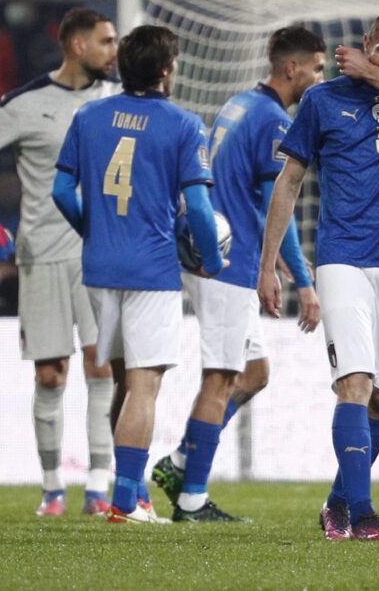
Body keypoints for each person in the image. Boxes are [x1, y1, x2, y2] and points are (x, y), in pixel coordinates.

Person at [258, 13, 379, 541]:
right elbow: (289, 181)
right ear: (367, 44)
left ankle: (337, 505)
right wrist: (268, 265)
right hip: (343, 259)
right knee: (355, 385)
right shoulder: (321, 101)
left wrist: (373, 73)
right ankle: (363, 514)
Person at [0, 7, 121, 517]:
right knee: (51, 374)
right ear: (76, 45)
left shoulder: (119, 99)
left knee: (101, 367)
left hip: (100, 252)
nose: (115, 51)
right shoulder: (27, 103)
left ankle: (98, 487)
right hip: (42, 253)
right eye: (106, 42)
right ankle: (51, 488)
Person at [52, 24, 227, 524]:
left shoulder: (88, 115)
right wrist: (211, 261)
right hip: (151, 270)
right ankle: (127, 503)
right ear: (167, 71)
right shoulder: (183, 124)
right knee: (145, 386)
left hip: (99, 269)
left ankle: (128, 495)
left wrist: (96, 231)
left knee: (126, 385)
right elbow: (197, 206)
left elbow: (63, 192)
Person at [150, 26, 326, 522]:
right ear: (291, 68)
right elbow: (278, 205)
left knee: (254, 373)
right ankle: (191, 500)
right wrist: (299, 278)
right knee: (222, 376)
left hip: (218, 255)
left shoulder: (239, 104)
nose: (319, 78)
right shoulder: (273, 121)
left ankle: (181, 460)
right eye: (316, 68)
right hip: (229, 263)